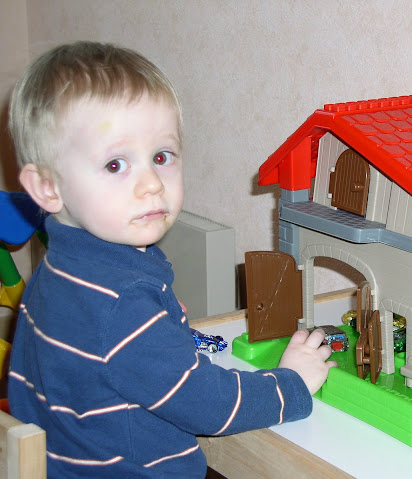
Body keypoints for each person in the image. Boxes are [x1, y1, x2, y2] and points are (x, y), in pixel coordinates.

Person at [7, 41, 336, 478]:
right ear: (48, 188)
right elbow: (209, 407)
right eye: (115, 165)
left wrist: (154, 329)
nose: (150, 184)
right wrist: (291, 385)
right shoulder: (121, 303)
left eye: (161, 157)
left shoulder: (61, 272)